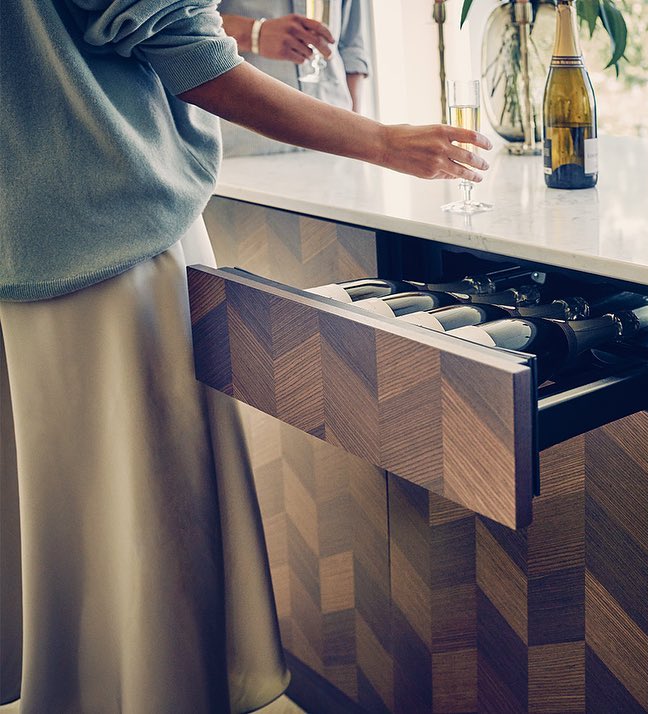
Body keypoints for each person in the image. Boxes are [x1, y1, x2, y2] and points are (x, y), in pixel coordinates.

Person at [1, 1, 489, 711]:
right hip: (112, 230)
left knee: (62, 520)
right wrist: (385, 141)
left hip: (20, 236)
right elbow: (190, 53)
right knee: (152, 515)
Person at [217, 0, 371, 156]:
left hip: (335, 140)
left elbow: (352, 47)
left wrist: (356, 131)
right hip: (245, 144)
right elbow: (200, 27)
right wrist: (253, 33)